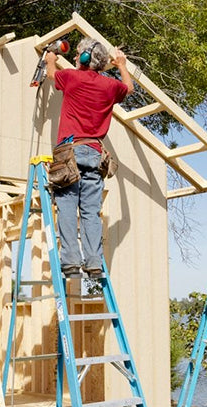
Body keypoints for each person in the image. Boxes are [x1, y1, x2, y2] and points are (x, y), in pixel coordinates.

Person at [44, 38, 133, 277]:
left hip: (69, 152)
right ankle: (94, 263)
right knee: (90, 213)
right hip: (94, 154)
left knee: (66, 207)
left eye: (77, 56)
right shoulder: (110, 86)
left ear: (83, 59)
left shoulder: (72, 77)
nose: (74, 58)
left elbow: (52, 74)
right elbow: (129, 88)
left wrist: (51, 58)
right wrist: (122, 64)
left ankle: (71, 263)